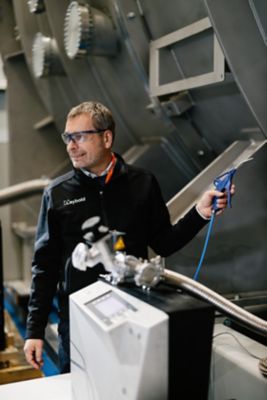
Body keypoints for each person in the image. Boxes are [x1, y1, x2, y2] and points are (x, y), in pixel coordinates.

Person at [24, 101, 234, 373]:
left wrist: (200, 213)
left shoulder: (142, 183)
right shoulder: (58, 193)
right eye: (67, 137)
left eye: (79, 136)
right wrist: (34, 330)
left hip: (134, 318)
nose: (71, 146)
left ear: (106, 137)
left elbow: (164, 242)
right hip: (78, 322)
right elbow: (45, 266)